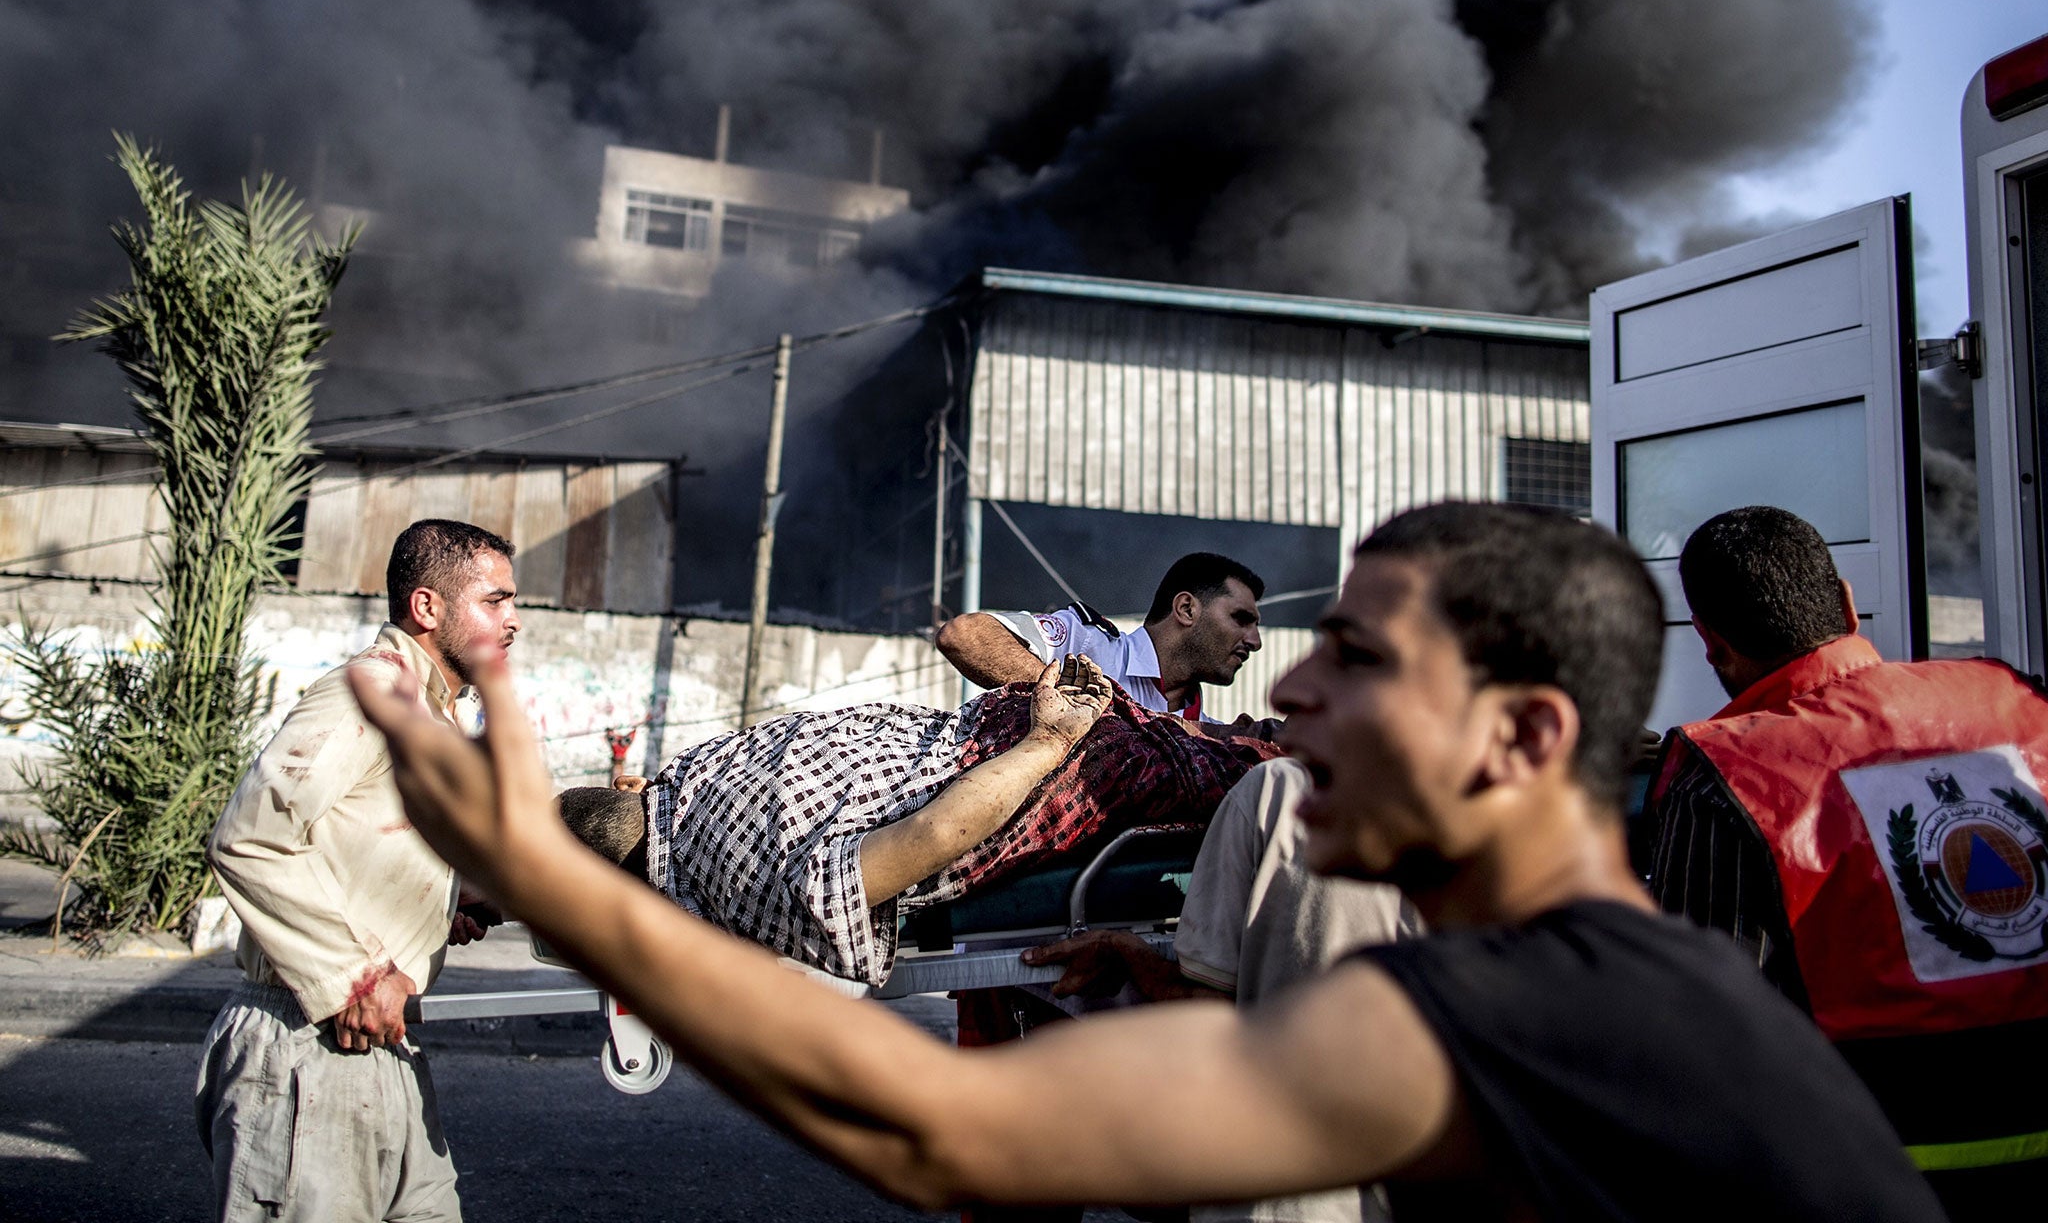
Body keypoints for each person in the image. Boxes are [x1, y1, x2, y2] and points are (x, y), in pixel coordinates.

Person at [352, 501, 1943, 1222]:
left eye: (1360, 664)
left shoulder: (1505, 1021)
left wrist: (573, 896)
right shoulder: (1563, 980)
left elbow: (941, 1137)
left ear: (1519, 742)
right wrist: (1199, 981)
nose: (1293, 690)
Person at [1648, 505, 2048, 1215]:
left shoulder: (1724, 772)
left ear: (1713, 646)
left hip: (1876, 1177)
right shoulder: (2017, 697)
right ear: (1846, 604)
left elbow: (1703, 1029)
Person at [557, 658, 1278, 985]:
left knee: (1271, 774)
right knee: (1242, 744)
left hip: (1046, 770)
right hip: (1009, 715)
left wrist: (1052, 743)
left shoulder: (742, 884)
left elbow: (931, 839)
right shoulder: (698, 767)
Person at [198, 519, 519, 1223]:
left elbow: (352, 840)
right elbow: (249, 840)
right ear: (427, 607)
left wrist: (441, 900)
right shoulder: (364, 696)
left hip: (384, 1044)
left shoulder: (430, 712)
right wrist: (358, 975)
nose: (513, 620)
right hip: (310, 1043)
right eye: (494, 602)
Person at [1026, 757, 1418, 1223]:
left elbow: (1206, 1007)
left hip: (1282, 1191)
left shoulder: (1277, 791)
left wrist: (1129, 954)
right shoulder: (1494, 813)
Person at [937, 552, 1265, 721]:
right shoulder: (1085, 644)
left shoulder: (1211, 741)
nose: (1255, 641)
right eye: (1241, 619)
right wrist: (1068, 697)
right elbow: (962, 636)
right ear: (1186, 609)